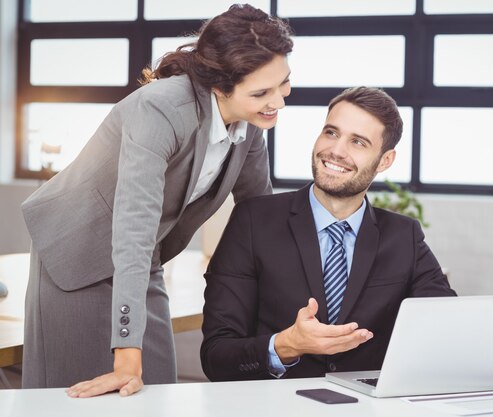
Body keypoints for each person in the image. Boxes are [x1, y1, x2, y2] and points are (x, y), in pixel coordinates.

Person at [21, 4, 293, 398]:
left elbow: (260, 215)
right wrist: (127, 355)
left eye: (284, 83)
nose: (278, 102)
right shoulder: (161, 108)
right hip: (74, 252)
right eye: (261, 93)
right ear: (220, 85)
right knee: (80, 397)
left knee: (158, 390)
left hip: (142, 259)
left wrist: (291, 309)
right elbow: (134, 226)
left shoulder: (249, 126)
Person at [201, 87, 493, 388]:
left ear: (385, 160)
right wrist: (287, 345)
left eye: (358, 142)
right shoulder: (254, 220)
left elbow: (450, 328)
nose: (336, 151)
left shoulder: (403, 236)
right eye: (331, 133)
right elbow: (216, 356)